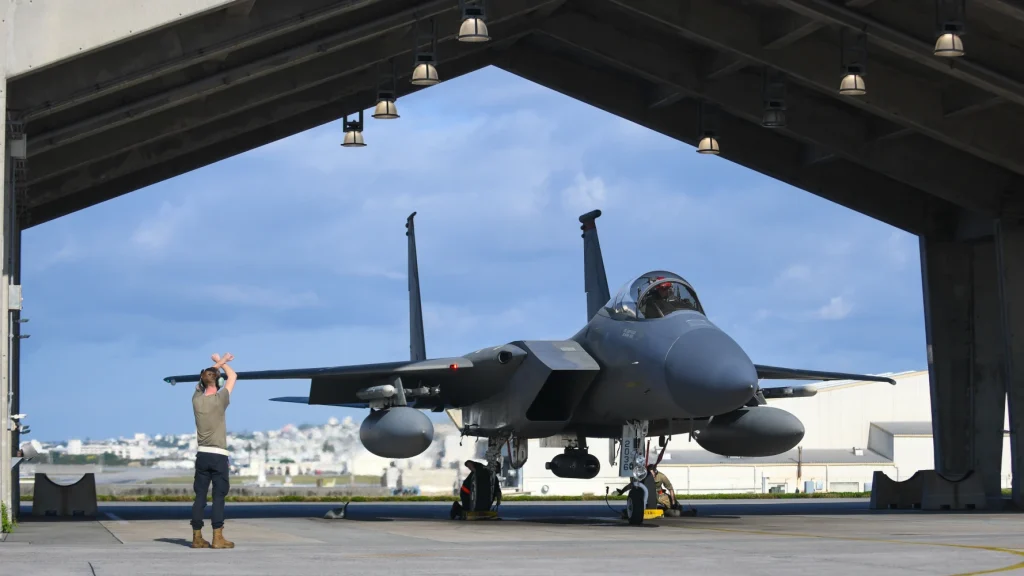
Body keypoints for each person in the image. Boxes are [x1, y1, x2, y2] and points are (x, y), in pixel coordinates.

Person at [190, 352, 237, 549]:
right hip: (218, 456)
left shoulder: (196, 399)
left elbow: (205, 377)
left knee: (200, 496)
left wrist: (218, 363)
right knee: (218, 497)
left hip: (202, 455)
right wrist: (223, 363)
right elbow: (233, 376)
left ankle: (197, 537)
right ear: (217, 383)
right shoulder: (220, 400)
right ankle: (218, 537)